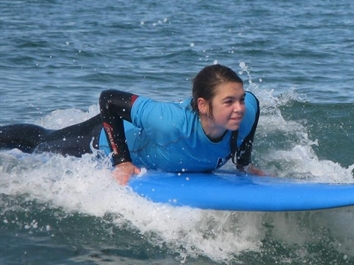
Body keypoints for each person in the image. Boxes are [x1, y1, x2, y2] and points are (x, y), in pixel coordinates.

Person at [0, 64, 262, 184]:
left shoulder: (245, 112)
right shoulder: (169, 123)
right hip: (100, 140)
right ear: (203, 105)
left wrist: (243, 163)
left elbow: (254, 104)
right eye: (228, 102)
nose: (239, 108)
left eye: (239, 99)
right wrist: (122, 161)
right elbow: (109, 99)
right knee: (42, 144)